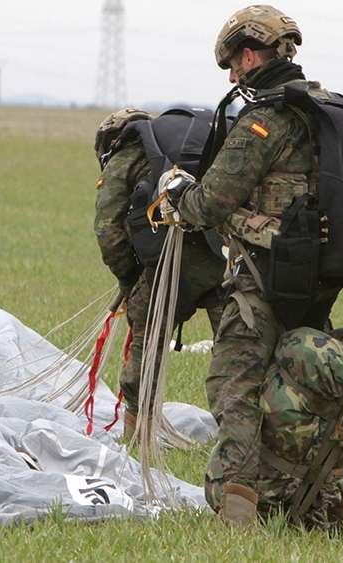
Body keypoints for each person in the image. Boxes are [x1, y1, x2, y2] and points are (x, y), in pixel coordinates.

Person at [161, 5, 342, 524]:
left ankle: (235, 508)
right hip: (315, 281)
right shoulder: (322, 113)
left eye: (232, 66)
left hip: (262, 279)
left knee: (235, 386)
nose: (233, 77)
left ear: (246, 55)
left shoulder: (265, 120)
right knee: (310, 387)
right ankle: (335, 506)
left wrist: (178, 194)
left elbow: (209, 203)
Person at [93, 108, 225, 441]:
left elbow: (108, 229)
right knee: (236, 349)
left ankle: (138, 430)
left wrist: (128, 279)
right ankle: (242, 436)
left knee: (147, 339)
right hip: (224, 254)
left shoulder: (127, 154)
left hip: (174, 259)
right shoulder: (188, 144)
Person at [204, 325, 343, 531]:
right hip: (311, 306)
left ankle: (238, 519)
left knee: (239, 393)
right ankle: (339, 514)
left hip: (259, 313)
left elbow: (238, 408)